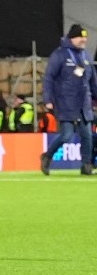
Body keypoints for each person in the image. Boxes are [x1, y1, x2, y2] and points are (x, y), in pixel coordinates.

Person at [40, 25, 90, 177]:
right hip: (65, 102)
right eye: (81, 37)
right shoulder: (59, 54)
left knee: (87, 136)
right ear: (72, 38)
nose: (84, 40)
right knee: (66, 136)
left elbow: (92, 79)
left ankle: (86, 165)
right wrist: (48, 99)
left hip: (84, 103)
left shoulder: (86, 55)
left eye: (85, 37)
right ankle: (47, 156)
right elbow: (49, 78)